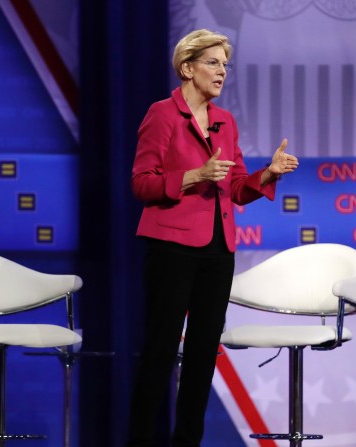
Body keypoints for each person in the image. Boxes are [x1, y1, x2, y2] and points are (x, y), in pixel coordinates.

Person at [126, 29, 299, 447]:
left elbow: (236, 187)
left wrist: (268, 173)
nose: (222, 72)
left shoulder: (226, 121)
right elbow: (141, 183)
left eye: (225, 64)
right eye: (213, 63)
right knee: (160, 350)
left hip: (219, 249)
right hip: (171, 247)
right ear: (187, 68)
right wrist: (193, 176)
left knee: (203, 355)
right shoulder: (162, 114)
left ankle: (187, 441)